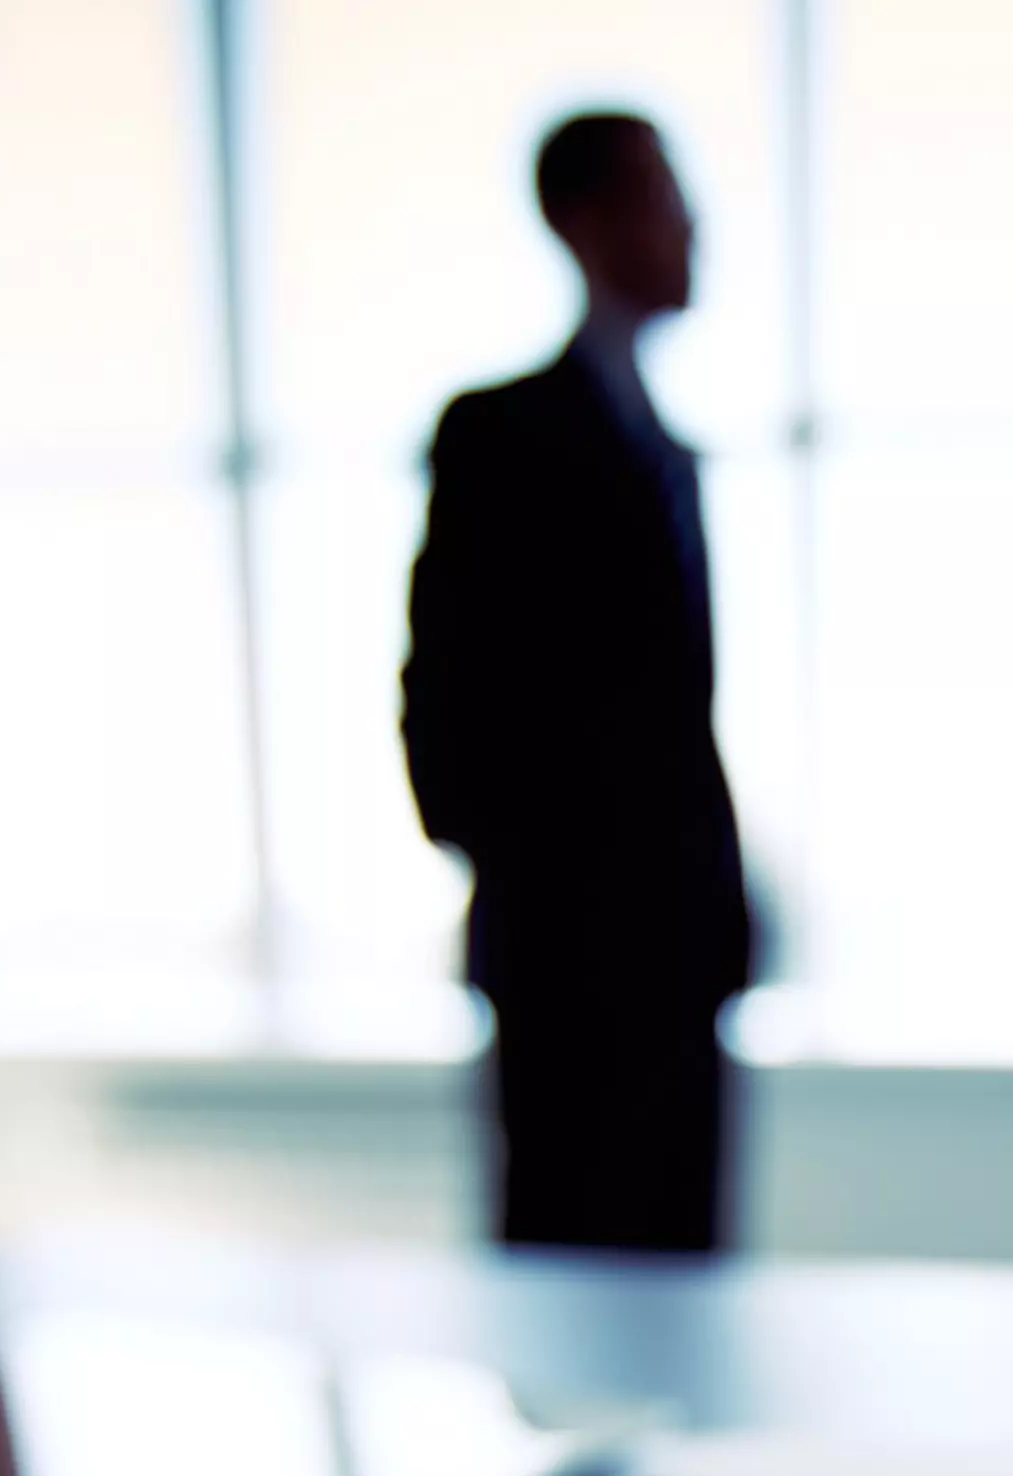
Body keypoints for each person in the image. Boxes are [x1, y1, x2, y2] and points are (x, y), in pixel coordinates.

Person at [402, 112, 755, 1255]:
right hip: (567, 963)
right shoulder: (500, 433)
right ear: (584, 220)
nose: (689, 219)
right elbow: (444, 689)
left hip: (682, 954)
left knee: (683, 1272)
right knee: (565, 1260)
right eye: (662, 190)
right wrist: (536, 881)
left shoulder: (670, 450)